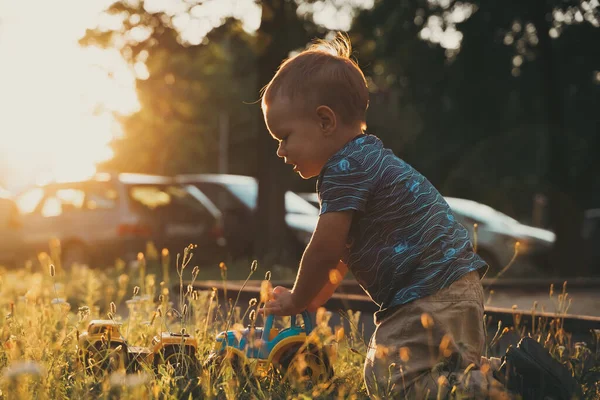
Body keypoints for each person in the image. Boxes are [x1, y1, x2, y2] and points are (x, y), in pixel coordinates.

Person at [260, 33, 500, 398]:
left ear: (325, 121)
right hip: (456, 285)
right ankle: (508, 377)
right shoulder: (366, 158)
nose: (280, 150)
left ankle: (510, 386)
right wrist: (313, 299)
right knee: (451, 371)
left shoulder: (342, 169)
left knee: (389, 378)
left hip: (427, 294)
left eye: (284, 136)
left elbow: (324, 250)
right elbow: (339, 259)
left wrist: (295, 297)